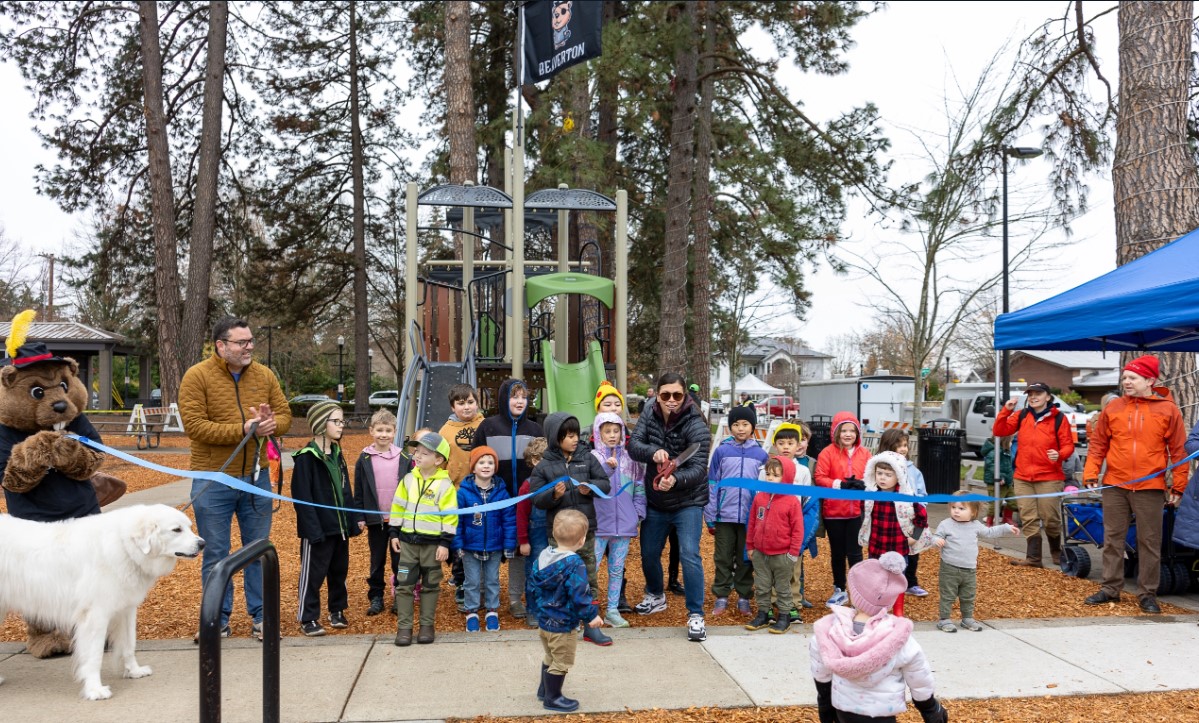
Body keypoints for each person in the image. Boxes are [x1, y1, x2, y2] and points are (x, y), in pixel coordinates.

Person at [178, 317, 291, 641]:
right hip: (213, 481)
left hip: (256, 480)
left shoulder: (264, 375)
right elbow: (195, 426)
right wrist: (240, 431)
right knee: (216, 553)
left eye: (251, 341)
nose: (249, 347)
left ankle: (262, 619)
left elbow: (284, 415)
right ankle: (216, 621)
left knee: (257, 551)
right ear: (221, 346)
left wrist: (271, 425)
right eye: (242, 342)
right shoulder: (197, 377)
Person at [1083, 355, 1189, 614]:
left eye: (1132, 378)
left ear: (1149, 380)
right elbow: (1098, 445)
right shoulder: (1114, 407)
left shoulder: (1167, 409)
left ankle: (1147, 593)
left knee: (1149, 541)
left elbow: (1178, 451)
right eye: (1125, 377)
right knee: (1112, 539)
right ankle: (1110, 588)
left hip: (1149, 486)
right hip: (1115, 484)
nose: (1126, 381)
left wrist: (1178, 486)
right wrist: (1090, 473)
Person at [810, 552, 948, 723]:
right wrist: (930, 708)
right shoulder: (897, 637)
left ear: (853, 594)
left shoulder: (830, 631)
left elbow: (821, 673)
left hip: (844, 711)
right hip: (883, 713)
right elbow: (918, 675)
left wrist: (825, 706)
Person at [628, 372, 713, 642]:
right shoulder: (648, 414)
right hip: (656, 500)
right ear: (657, 395)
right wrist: (653, 453)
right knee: (649, 552)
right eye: (666, 395)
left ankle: (696, 614)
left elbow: (699, 468)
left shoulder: (696, 423)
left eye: (677, 395)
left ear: (685, 394)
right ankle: (655, 594)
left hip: (688, 500)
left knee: (689, 554)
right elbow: (633, 445)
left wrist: (675, 479)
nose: (672, 400)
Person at [530, 412, 613, 645]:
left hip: (584, 532)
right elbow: (536, 498)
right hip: (560, 536)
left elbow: (604, 483)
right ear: (556, 438)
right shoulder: (544, 466)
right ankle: (565, 622)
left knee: (588, 576)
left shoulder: (587, 458)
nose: (575, 439)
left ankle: (591, 625)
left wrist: (592, 488)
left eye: (576, 434)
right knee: (560, 578)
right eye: (568, 435)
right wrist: (553, 495)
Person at [291, 401, 362, 637]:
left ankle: (337, 609)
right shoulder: (306, 458)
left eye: (342, 421)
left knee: (338, 571)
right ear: (321, 424)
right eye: (337, 421)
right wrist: (313, 530)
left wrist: (352, 520)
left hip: (339, 527)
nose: (341, 426)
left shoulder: (338, 454)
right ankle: (308, 616)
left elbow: (346, 490)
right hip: (318, 530)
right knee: (312, 575)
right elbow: (301, 499)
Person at [529, 509, 605, 713]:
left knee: (550, 656)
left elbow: (534, 586)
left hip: (545, 621)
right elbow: (579, 594)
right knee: (561, 661)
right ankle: (553, 698)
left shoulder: (544, 556)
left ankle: (544, 690)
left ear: (554, 534)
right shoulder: (574, 563)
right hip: (563, 624)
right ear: (581, 541)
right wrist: (592, 616)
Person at [992, 381, 1075, 568]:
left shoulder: (1059, 418)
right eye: (1030, 394)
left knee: (1050, 518)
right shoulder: (1022, 415)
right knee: (1028, 517)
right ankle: (1033, 558)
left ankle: (1056, 552)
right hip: (1022, 477)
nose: (1033, 397)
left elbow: (1069, 445)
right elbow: (999, 430)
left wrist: (1060, 454)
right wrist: (1006, 411)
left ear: (1048, 396)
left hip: (1049, 477)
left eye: (1038, 393)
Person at [389, 432, 457, 646]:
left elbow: (450, 516)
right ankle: (404, 628)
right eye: (416, 451)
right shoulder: (408, 479)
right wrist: (393, 532)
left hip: (432, 545)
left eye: (424, 453)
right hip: (408, 543)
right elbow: (398, 506)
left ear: (438, 460)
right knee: (404, 584)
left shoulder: (445, 486)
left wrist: (445, 543)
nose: (417, 456)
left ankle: (427, 626)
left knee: (430, 585)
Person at [705, 404, 768, 618]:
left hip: (750, 518)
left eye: (745, 424)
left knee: (745, 557)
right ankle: (721, 595)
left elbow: (764, 488)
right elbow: (712, 483)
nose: (740, 428)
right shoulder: (722, 451)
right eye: (735, 424)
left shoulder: (761, 455)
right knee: (722, 556)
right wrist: (710, 514)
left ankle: (743, 596)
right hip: (724, 515)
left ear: (753, 427)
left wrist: (761, 517)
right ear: (730, 427)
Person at [857, 451, 931, 617]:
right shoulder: (871, 496)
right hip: (877, 545)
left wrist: (914, 537)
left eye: (888, 475)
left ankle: (898, 609)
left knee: (897, 579)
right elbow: (865, 513)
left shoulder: (906, 498)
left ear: (898, 476)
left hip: (898, 546)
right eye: (879, 473)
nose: (882, 478)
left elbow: (922, 517)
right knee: (876, 579)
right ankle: (877, 609)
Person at [931, 491, 1019, 633]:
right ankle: (944, 619)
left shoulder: (975, 525)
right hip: (949, 567)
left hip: (969, 569)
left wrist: (1006, 528)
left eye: (961, 508)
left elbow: (989, 532)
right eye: (954, 507)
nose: (956, 511)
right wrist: (936, 540)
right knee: (948, 594)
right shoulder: (945, 524)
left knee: (968, 595)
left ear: (973, 512)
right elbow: (935, 536)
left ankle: (967, 618)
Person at [589, 411, 645, 628]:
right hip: (599, 524)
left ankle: (612, 610)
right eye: (607, 431)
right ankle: (587, 610)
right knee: (591, 568)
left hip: (624, 524)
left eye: (616, 431)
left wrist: (637, 513)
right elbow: (592, 485)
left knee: (616, 568)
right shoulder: (593, 458)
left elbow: (639, 486)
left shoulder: (631, 460)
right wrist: (607, 468)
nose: (612, 435)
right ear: (598, 433)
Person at [451, 445, 516, 632]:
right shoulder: (463, 493)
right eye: (481, 462)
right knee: (471, 581)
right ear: (473, 467)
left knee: (492, 580)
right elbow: (457, 521)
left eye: (490, 462)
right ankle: (472, 611)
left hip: (494, 546)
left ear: (495, 467)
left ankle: (491, 610)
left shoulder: (502, 493)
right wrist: (458, 544)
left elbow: (509, 521)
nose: (486, 466)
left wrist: (509, 544)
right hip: (471, 547)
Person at [813, 411, 868, 608]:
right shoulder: (827, 452)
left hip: (857, 512)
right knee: (837, 553)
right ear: (836, 432)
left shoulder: (865, 453)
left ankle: (858, 588)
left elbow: (871, 476)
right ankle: (840, 588)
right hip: (834, 512)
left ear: (857, 433)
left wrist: (863, 484)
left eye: (852, 431)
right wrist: (840, 485)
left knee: (855, 552)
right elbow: (820, 477)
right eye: (843, 430)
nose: (847, 434)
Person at [352, 409, 404, 617]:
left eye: (388, 430)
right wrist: (360, 516)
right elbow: (359, 490)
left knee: (400, 561)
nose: (383, 434)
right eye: (379, 430)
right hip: (375, 521)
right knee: (377, 560)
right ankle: (376, 596)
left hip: (398, 521)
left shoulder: (403, 457)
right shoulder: (364, 459)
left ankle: (401, 595)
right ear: (371, 431)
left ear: (394, 432)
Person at [744, 457, 805, 634]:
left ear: (786, 478)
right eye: (768, 474)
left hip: (782, 555)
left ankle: (784, 616)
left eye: (776, 475)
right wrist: (750, 546)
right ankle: (763, 614)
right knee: (762, 586)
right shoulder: (760, 497)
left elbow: (798, 530)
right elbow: (753, 522)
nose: (770, 478)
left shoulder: (792, 501)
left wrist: (792, 554)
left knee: (782, 587)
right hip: (760, 553)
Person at [877, 429, 929, 597]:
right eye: (898, 445)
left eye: (905, 445)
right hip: (888, 519)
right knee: (885, 552)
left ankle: (910, 582)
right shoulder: (880, 468)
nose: (903, 449)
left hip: (910, 518)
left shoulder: (913, 470)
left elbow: (922, 493)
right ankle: (884, 584)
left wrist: (918, 505)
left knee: (912, 552)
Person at [473, 379, 544, 497]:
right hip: (495, 497)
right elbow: (475, 459)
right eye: (515, 397)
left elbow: (544, 463)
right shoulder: (487, 427)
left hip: (529, 497)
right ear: (504, 399)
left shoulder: (536, 429)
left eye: (524, 397)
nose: (520, 402)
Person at [518, 437, 550, 627]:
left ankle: (550, 609)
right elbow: (521, 515)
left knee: (552, 572)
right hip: (535, 533)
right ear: (534, 461)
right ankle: (533, 610)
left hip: (553, 532)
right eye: (541, 459)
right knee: (534, 572)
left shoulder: (558, 482)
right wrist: (523, 540)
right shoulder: (528, 485)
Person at [440, 383, 485, 485]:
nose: (466, 407)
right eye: (461, 403)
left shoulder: (485, 426)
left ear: (477, 404)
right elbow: (440, 461)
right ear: (453, 407)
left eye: (470, 402)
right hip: (455, 488)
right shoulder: (445, 431)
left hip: (482, 486)